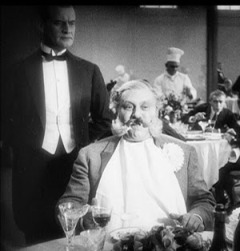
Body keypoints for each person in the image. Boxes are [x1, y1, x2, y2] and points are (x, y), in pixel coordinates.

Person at [5, 5, 113, 245]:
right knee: (36, 236)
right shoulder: (17, 71)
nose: (67, 29)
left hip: (74, 169)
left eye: (72, 23)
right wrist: (26, 147)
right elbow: (5, 122)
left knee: (75, 238)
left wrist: (82, 142)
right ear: (41, 25)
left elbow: (104, 119)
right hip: (31, 173)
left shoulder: (89, 70)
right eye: (59, 23)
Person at [57, 80, 215, 233]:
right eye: (128, 107)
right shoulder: (91, 155)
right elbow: (68, 204)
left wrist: (196, 217)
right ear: (117, 112)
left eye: (145, 107)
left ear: (156, 112)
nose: (137, 114)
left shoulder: (184, 151)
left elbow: (204, 201)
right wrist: (84, 218)